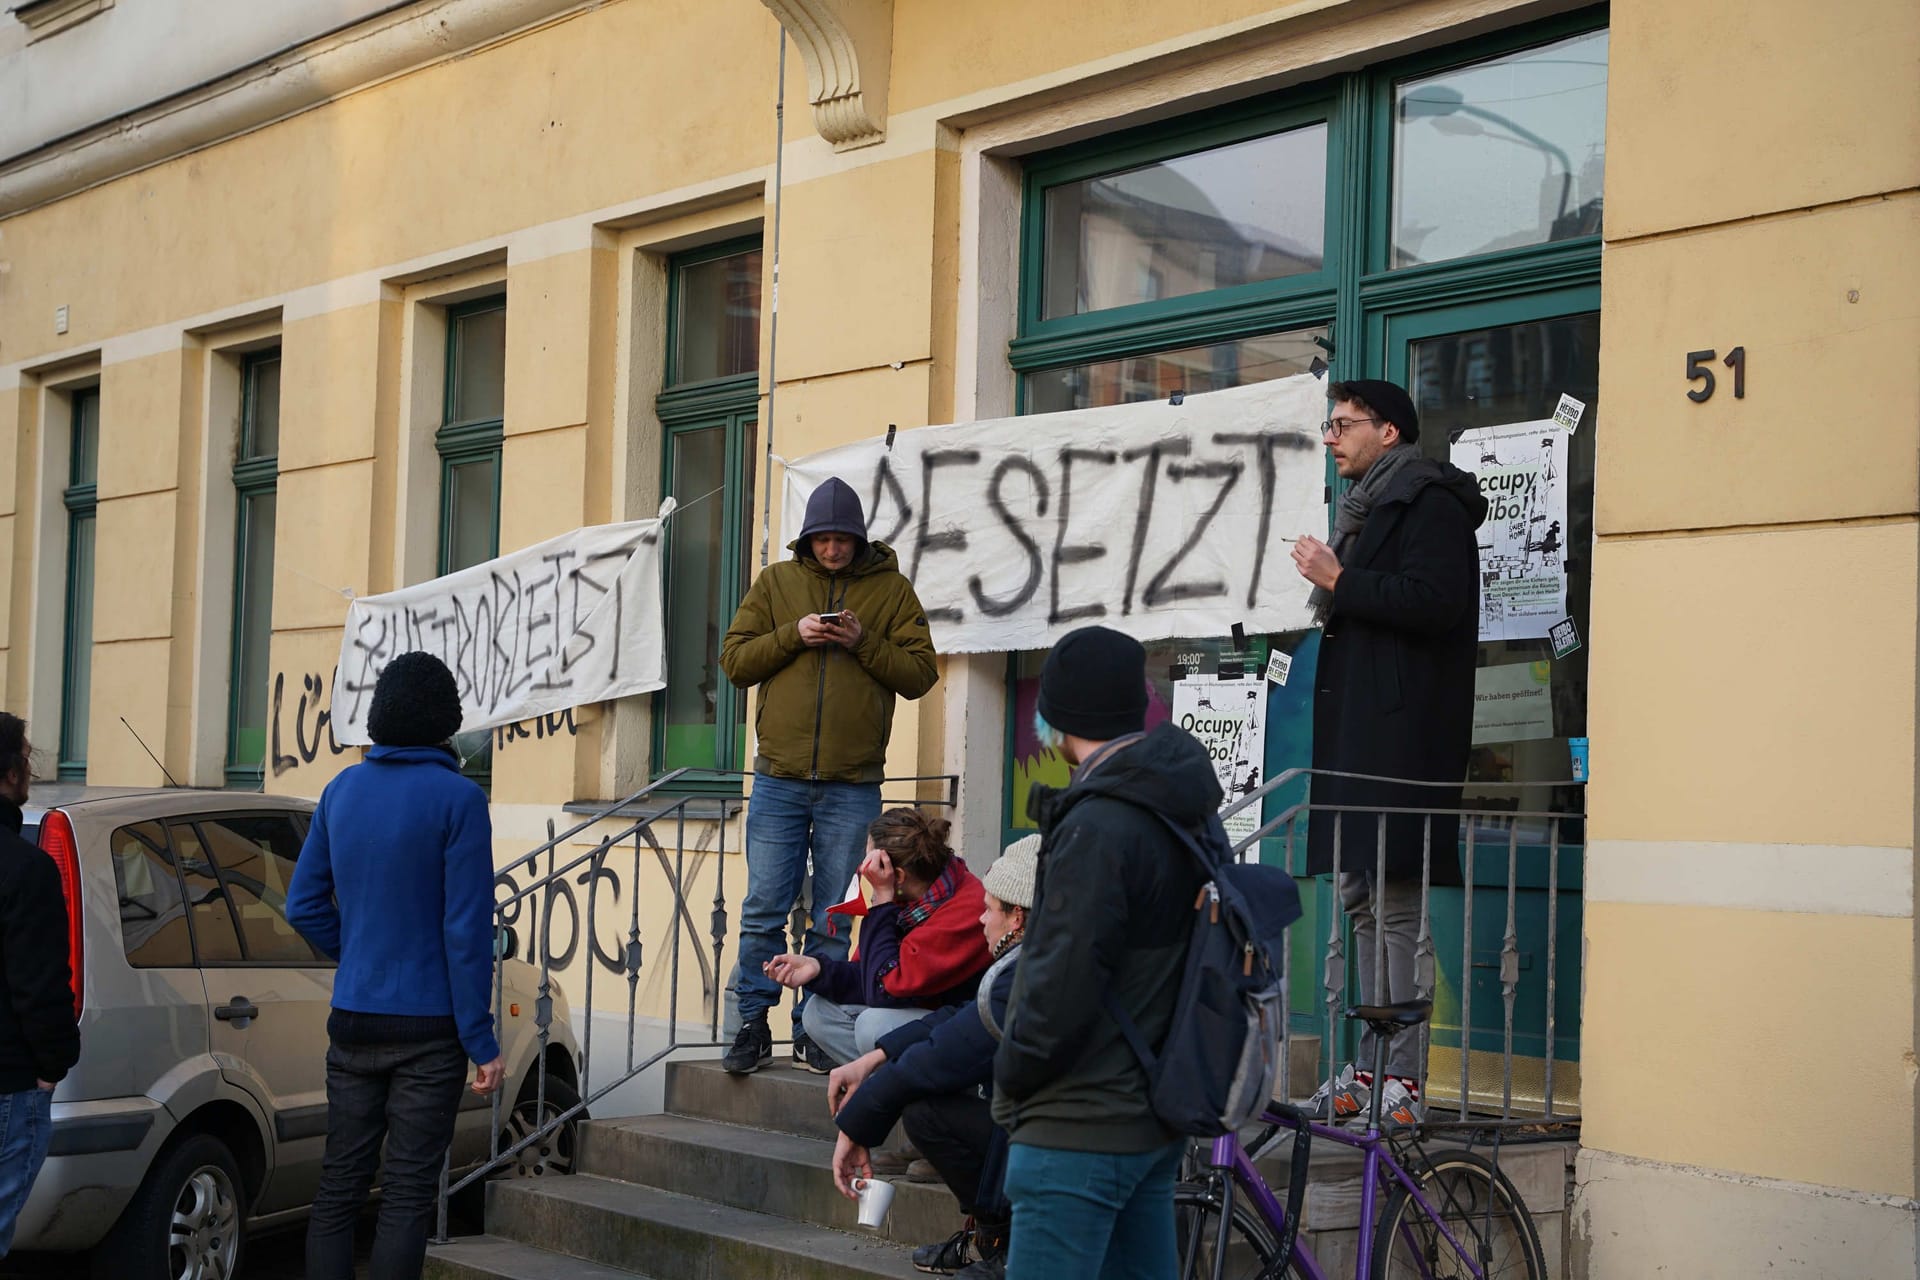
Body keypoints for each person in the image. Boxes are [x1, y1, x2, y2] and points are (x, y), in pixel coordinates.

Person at [1290, 378, 1486, 1127]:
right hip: (1361, 740)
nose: (1332, 437)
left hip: (1402, 744)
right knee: (1360, 901)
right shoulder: (1367, 508)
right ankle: (1370, 1071)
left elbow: (1437, 603)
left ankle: (1402, 1078)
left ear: (1390, 432)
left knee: (1396, 907)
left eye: (1344, 424)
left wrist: (1343, 579)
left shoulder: (1429, 503)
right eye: (1330, 424)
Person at [990, 626, 1214, 1280]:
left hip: (1077, 1128)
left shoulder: (1099, 823)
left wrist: (1010, 1074)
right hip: (1147, 1119)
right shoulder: (1174, 805)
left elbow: (1060, 983)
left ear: (1060, 717)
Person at [286, 652, 505, 1280]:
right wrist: (481, 1041)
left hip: (352, 1019)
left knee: (338, 1188)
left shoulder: (341, 790)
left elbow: (302, 905)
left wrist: (355, 952)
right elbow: (465, 930)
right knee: (407, 1196)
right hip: (429, 1030)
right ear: (446, 723)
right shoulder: (459, 799)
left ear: (380, 718)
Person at [719, 476, 939, 1075]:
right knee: (764, 905)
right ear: (808, 538)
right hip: (778, 778)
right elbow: (734, 661)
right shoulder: (777, 583)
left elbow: (921, 675)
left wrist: (864, 642)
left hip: (853, 782)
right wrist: (793, 635)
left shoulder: (892, 591)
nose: (834, 550)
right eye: (824, 539)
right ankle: (751, 1023)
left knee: (835, 915)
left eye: (844, 539)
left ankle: (813, 1025)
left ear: (860, 540)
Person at [826, 835, 1038, 1280]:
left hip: (1065, 1147)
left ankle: (1015, 1253)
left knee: (933, 1099)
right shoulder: (1032, 960)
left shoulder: (1030, 972)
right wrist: (874, 1059)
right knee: (926, 1111)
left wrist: (857, 1121)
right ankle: (995, 1237)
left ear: (1016, 917)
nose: (983, 919)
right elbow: (955, 1019)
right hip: (1049, 1137)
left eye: (991, 909)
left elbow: (896, 994)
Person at [763, 807, 990, 1072]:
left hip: (966, 1033)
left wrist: (882, 902)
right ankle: (887, 1089)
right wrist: (819, 970)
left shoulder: (965, 909)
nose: (863, 871)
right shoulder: (914, 897)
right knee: (818, 1013)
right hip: (920, 1010)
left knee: (874, 1025)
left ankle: (904, 1095)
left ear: (899, 876)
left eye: (871, 864)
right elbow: (871, 975)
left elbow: (886, 990)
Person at [0, 715, 80, 1257]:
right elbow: (41, 984)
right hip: (9, 1081)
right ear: (9, 773)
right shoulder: (26, 869)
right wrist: (53, 1066)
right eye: (27, 758)